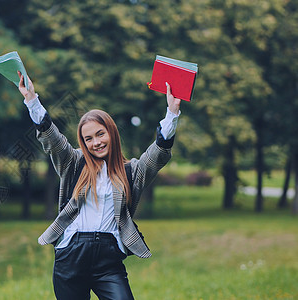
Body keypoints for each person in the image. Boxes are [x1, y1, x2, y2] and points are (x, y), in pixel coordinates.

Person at [17, 71, 181, 300]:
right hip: (71, 256)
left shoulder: (132, 171)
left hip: (108, 260)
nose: (96, 142)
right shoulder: (73, 163)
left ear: (111, 133)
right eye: (88, 139)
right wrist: (32, 100)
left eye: (100, 134)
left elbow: (158, 154)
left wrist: (172, 113)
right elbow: (52, 140)